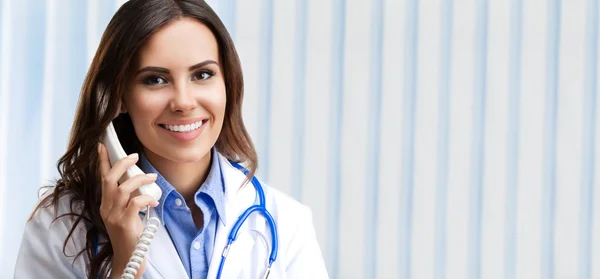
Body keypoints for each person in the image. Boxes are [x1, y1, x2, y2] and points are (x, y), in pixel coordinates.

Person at [13, 0, 329, 278]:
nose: (184, 101)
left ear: (227, 83)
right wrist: (125, 266)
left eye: (202, 75)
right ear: (118, 97)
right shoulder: (59, 229)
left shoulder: (286, 224)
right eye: (156, 80)